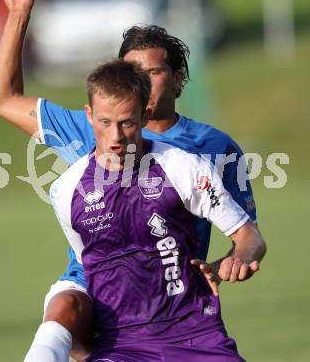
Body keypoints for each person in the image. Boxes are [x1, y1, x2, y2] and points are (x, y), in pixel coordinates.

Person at [0, 0, 263, 360]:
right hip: (95, 288)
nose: (143, 84)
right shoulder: (93, 128)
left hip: (170, 297)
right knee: (63, 308)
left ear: (178, 77)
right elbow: (2, 98)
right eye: (133, 73)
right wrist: (18, 12)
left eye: (153, 72)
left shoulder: (211, 149)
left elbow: (248, 238)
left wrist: (229, 264)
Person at [47, 59, 265, 361]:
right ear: (89, 115)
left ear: (145, 115)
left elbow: (249, 237)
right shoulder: (66, 191)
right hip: (121, 344)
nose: (116, 137)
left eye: (127, 122)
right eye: (105, 122)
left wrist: (238, 258)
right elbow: (92, 269)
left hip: (197, 335)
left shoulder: (183, 167)